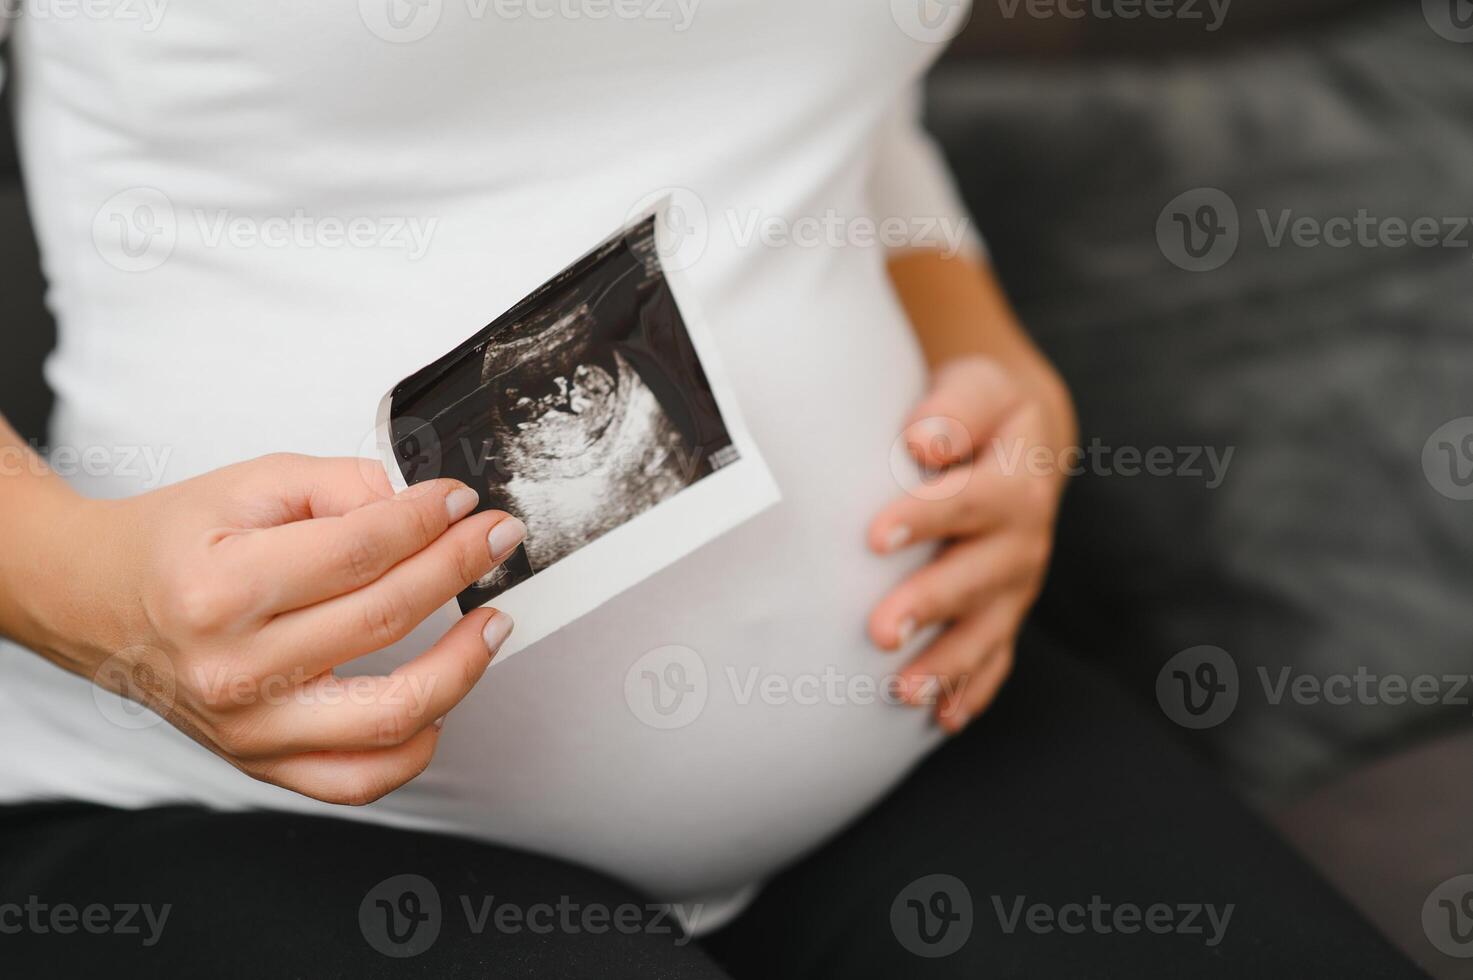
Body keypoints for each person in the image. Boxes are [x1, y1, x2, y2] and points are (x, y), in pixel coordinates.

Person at [0, 2, 1421, 976]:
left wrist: (979, 341)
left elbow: (830, 91)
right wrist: (79, 588)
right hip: (230, 812)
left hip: (916, 698)